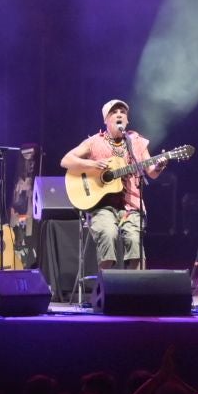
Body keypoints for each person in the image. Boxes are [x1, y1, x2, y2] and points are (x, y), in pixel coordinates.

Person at [60, 99, 165, 270]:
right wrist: (92, 165)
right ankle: (106, 290)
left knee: (134, 241)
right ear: (106, 120)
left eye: (122, 112)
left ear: (127, 120)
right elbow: (66, 161)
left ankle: (133, 292)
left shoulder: (136, 141)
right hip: (102, 207)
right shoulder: (94, 142)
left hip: (131, 205)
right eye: (114, 112)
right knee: (108, 234)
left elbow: (151, 172)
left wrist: (159, 165)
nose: (119, 114)